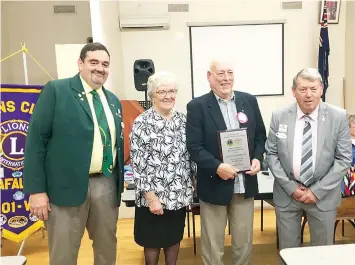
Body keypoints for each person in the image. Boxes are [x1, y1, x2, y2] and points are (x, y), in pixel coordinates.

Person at [23, 42, 124, 265]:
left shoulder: (113, 101)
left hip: (105, 185)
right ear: (80, 64)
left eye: (105, 64)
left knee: (107, 249)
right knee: (63, 254)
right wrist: (36, 191)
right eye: (94, 62)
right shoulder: (57, 91)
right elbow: (36, 141)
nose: (100, 68)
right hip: (64, 189)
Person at [265, 68, 352, 263]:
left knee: (322, 255)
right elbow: (271, 154)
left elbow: (344, 159)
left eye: (313, 88)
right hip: (287, 195)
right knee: (288, 254)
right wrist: (291, 187)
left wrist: (316, 191)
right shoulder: (279, 116)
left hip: (323, 197)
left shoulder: (338, 117)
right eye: (303, 89)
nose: (308, 94)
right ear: (293, 91)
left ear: (321, 89)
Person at [186, 59, 267, 265]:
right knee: (213, 245)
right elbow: (194, 147)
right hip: (214, 183)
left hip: (244, 184)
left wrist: (257, 158)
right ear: (209, 77)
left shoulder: (248, 101)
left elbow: (260, 136)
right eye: (220, 73)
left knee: (244, 242)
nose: (226, 78)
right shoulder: (197, 106)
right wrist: (217, 166)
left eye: (229, 73)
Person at [129, 71, 194, 265]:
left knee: (174, 239)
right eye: (162, 92)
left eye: (172, 91)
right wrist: (151, 198)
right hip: (153, 197)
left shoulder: (183, 120)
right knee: (152, 243)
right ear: (152, 95)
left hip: (178, 195)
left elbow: (190, 155)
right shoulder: (142, 122)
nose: (168, 96)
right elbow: (138, 163)